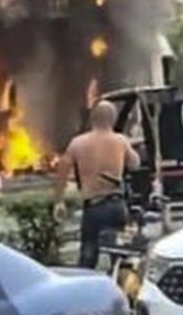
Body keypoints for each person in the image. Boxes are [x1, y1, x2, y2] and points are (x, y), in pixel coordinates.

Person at [52, 100, 140, 269]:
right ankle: (121, 289)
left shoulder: (78, 143)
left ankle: (86, 290)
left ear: (92, 119)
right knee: (121, 253)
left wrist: (58, 201)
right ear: (113, 120)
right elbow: (135, 164)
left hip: (93, 208)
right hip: (117, 206)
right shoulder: (120, 140)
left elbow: (62, 169)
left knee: (88, 253)